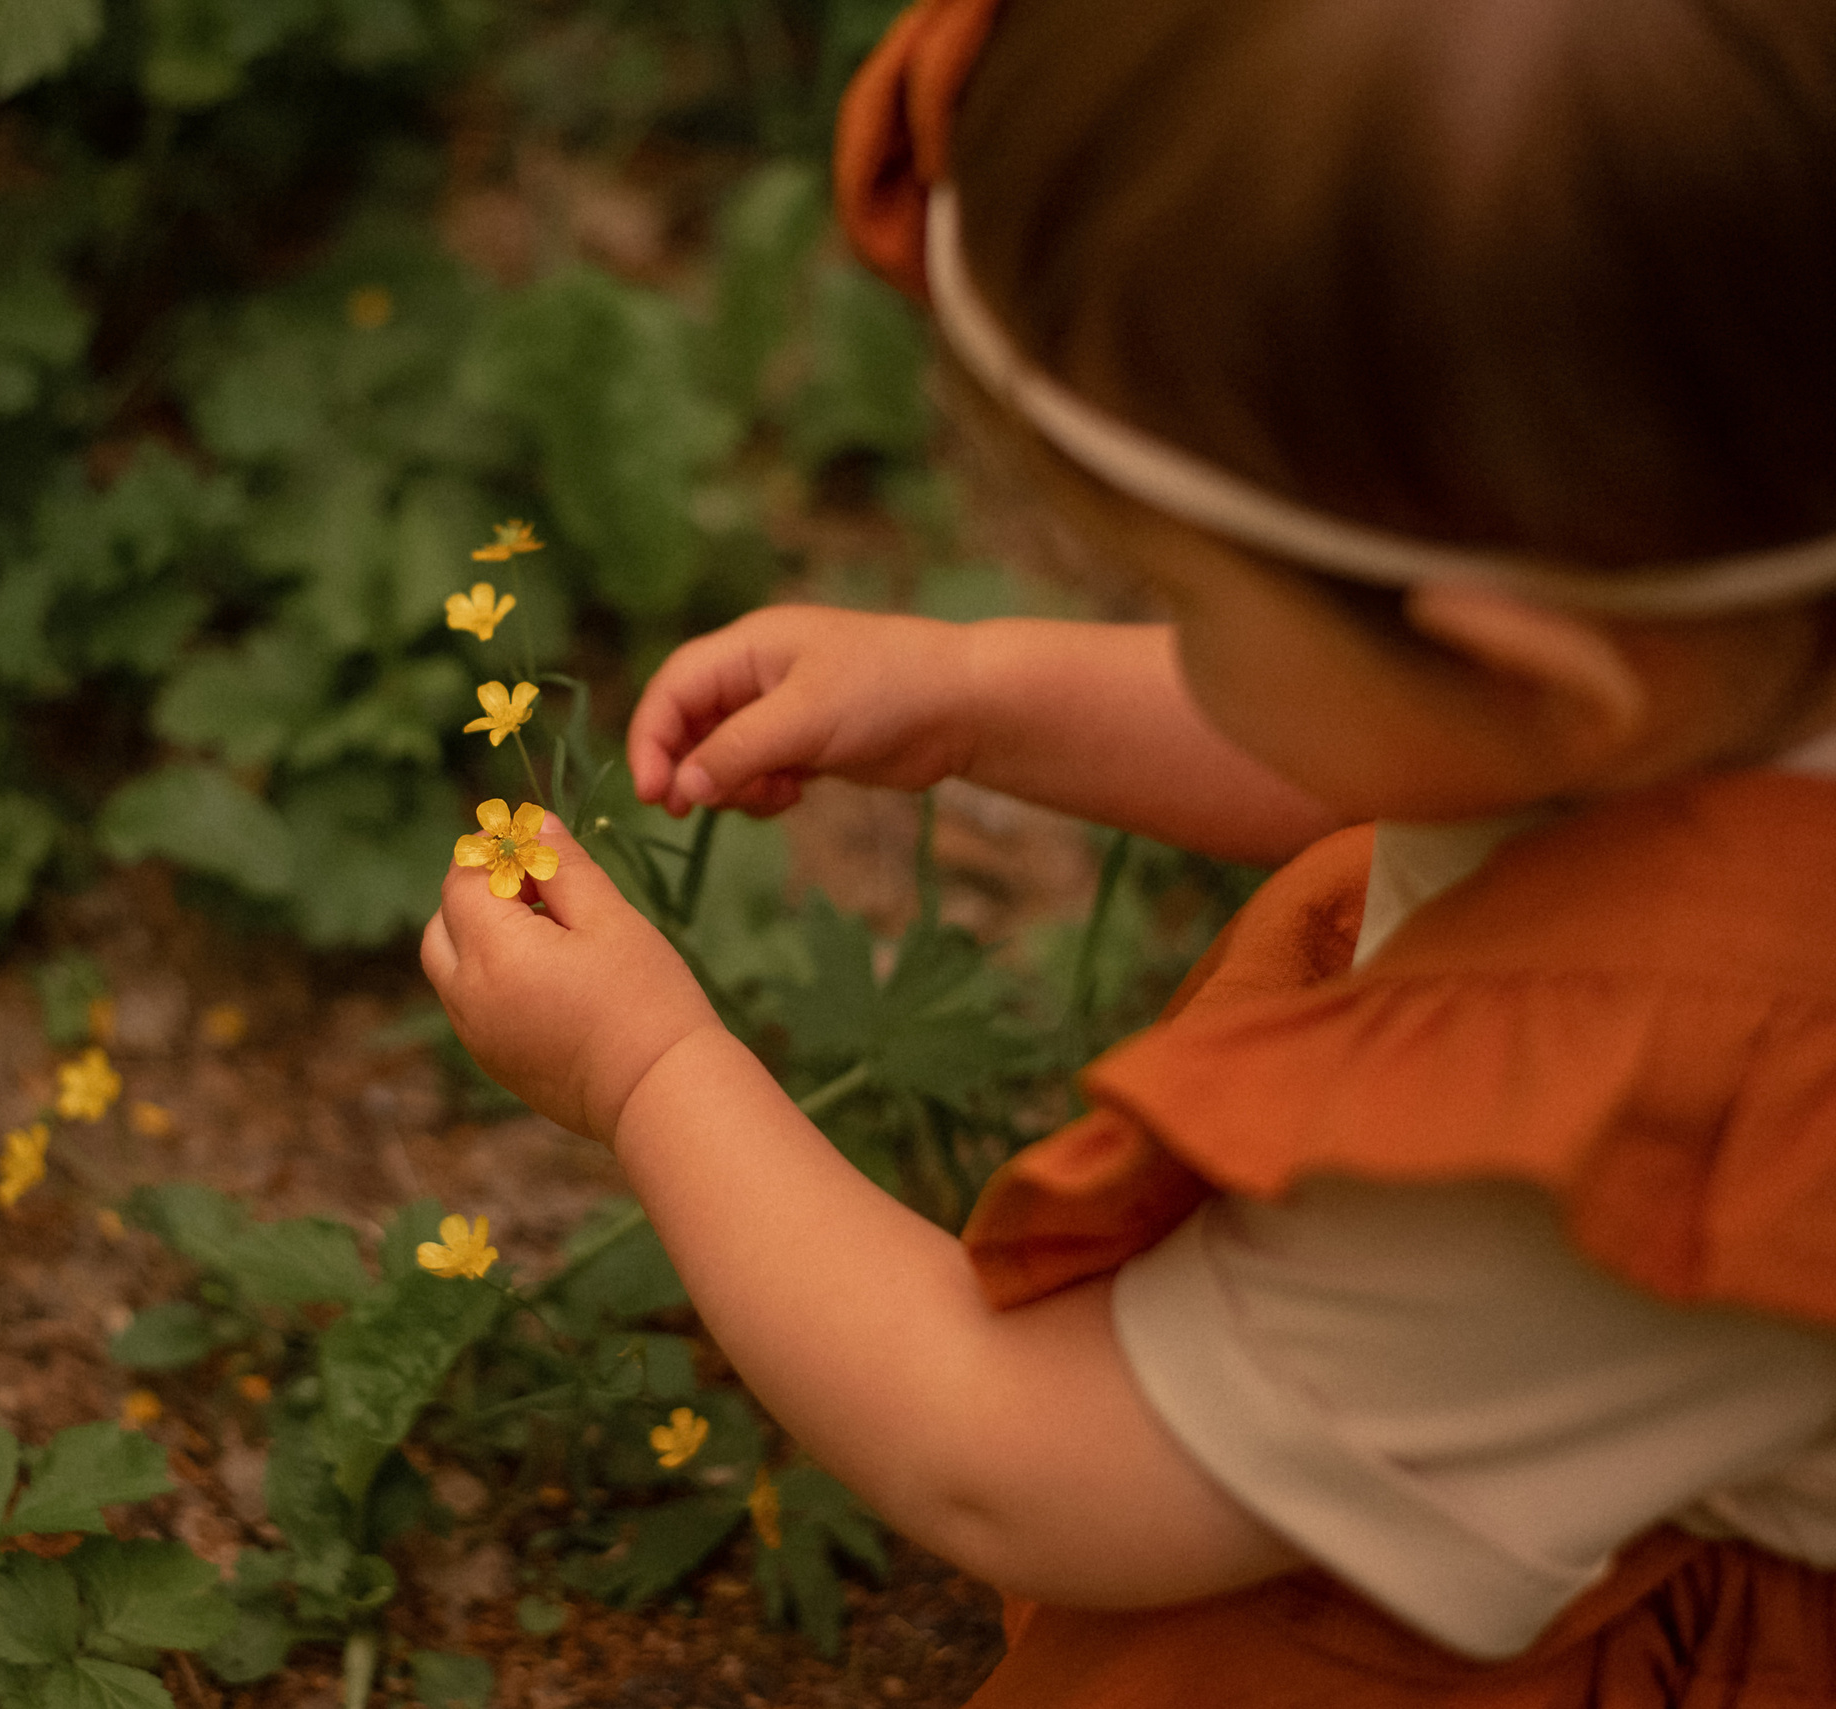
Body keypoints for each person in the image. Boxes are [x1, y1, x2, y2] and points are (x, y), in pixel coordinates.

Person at [420, 0, 1836, 1701]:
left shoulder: (1628, 1158)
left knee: (1228, 1646)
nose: (1147, 629)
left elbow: (1011, 1453)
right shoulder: (1746, 550)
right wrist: (981, 690)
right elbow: (1415, 745)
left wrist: (649, 1068)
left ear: (1529, 673)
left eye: (1182, 603)